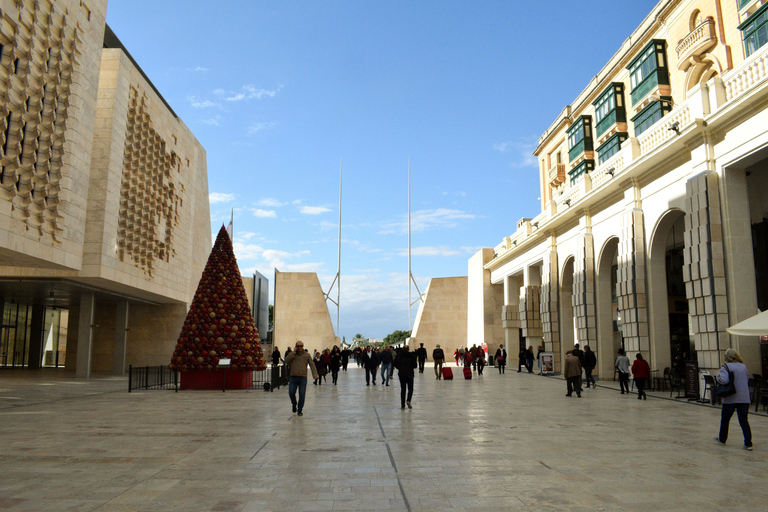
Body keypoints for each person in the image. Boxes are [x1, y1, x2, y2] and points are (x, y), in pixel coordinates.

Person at [714, 348, 753, 450]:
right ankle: (748, 443)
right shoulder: (743, 366)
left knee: (725, 419)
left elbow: (724, 380)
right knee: (744, 421)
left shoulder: (726, 367)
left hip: (730, 397)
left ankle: (722, 439)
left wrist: (718, 377)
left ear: (727, 357)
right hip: (744, 397)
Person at [285, 340, 318, 416]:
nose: (299, 347)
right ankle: (294, 403)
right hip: (293, 377)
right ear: (295, 347)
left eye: (301, 346)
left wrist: (314, 374)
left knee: (302, 394)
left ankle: (300, 410)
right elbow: (286, 361)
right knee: (291, 392)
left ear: (303, 347)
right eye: (298, 346)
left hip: (302, 378)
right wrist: (292, 353)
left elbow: (312, 365)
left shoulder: (307, 355)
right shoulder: (292, 354)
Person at [393, 344, 417, 409]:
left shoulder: (399, 355)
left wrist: (400, 368)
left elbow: (395, 364)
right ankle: (408, 400)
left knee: (403, 389)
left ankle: (402, 405)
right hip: (410, 374)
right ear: (408, 349)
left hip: (402, 374)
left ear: (402, 349)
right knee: (410, 389)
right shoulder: (412, 355)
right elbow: (415, 365)